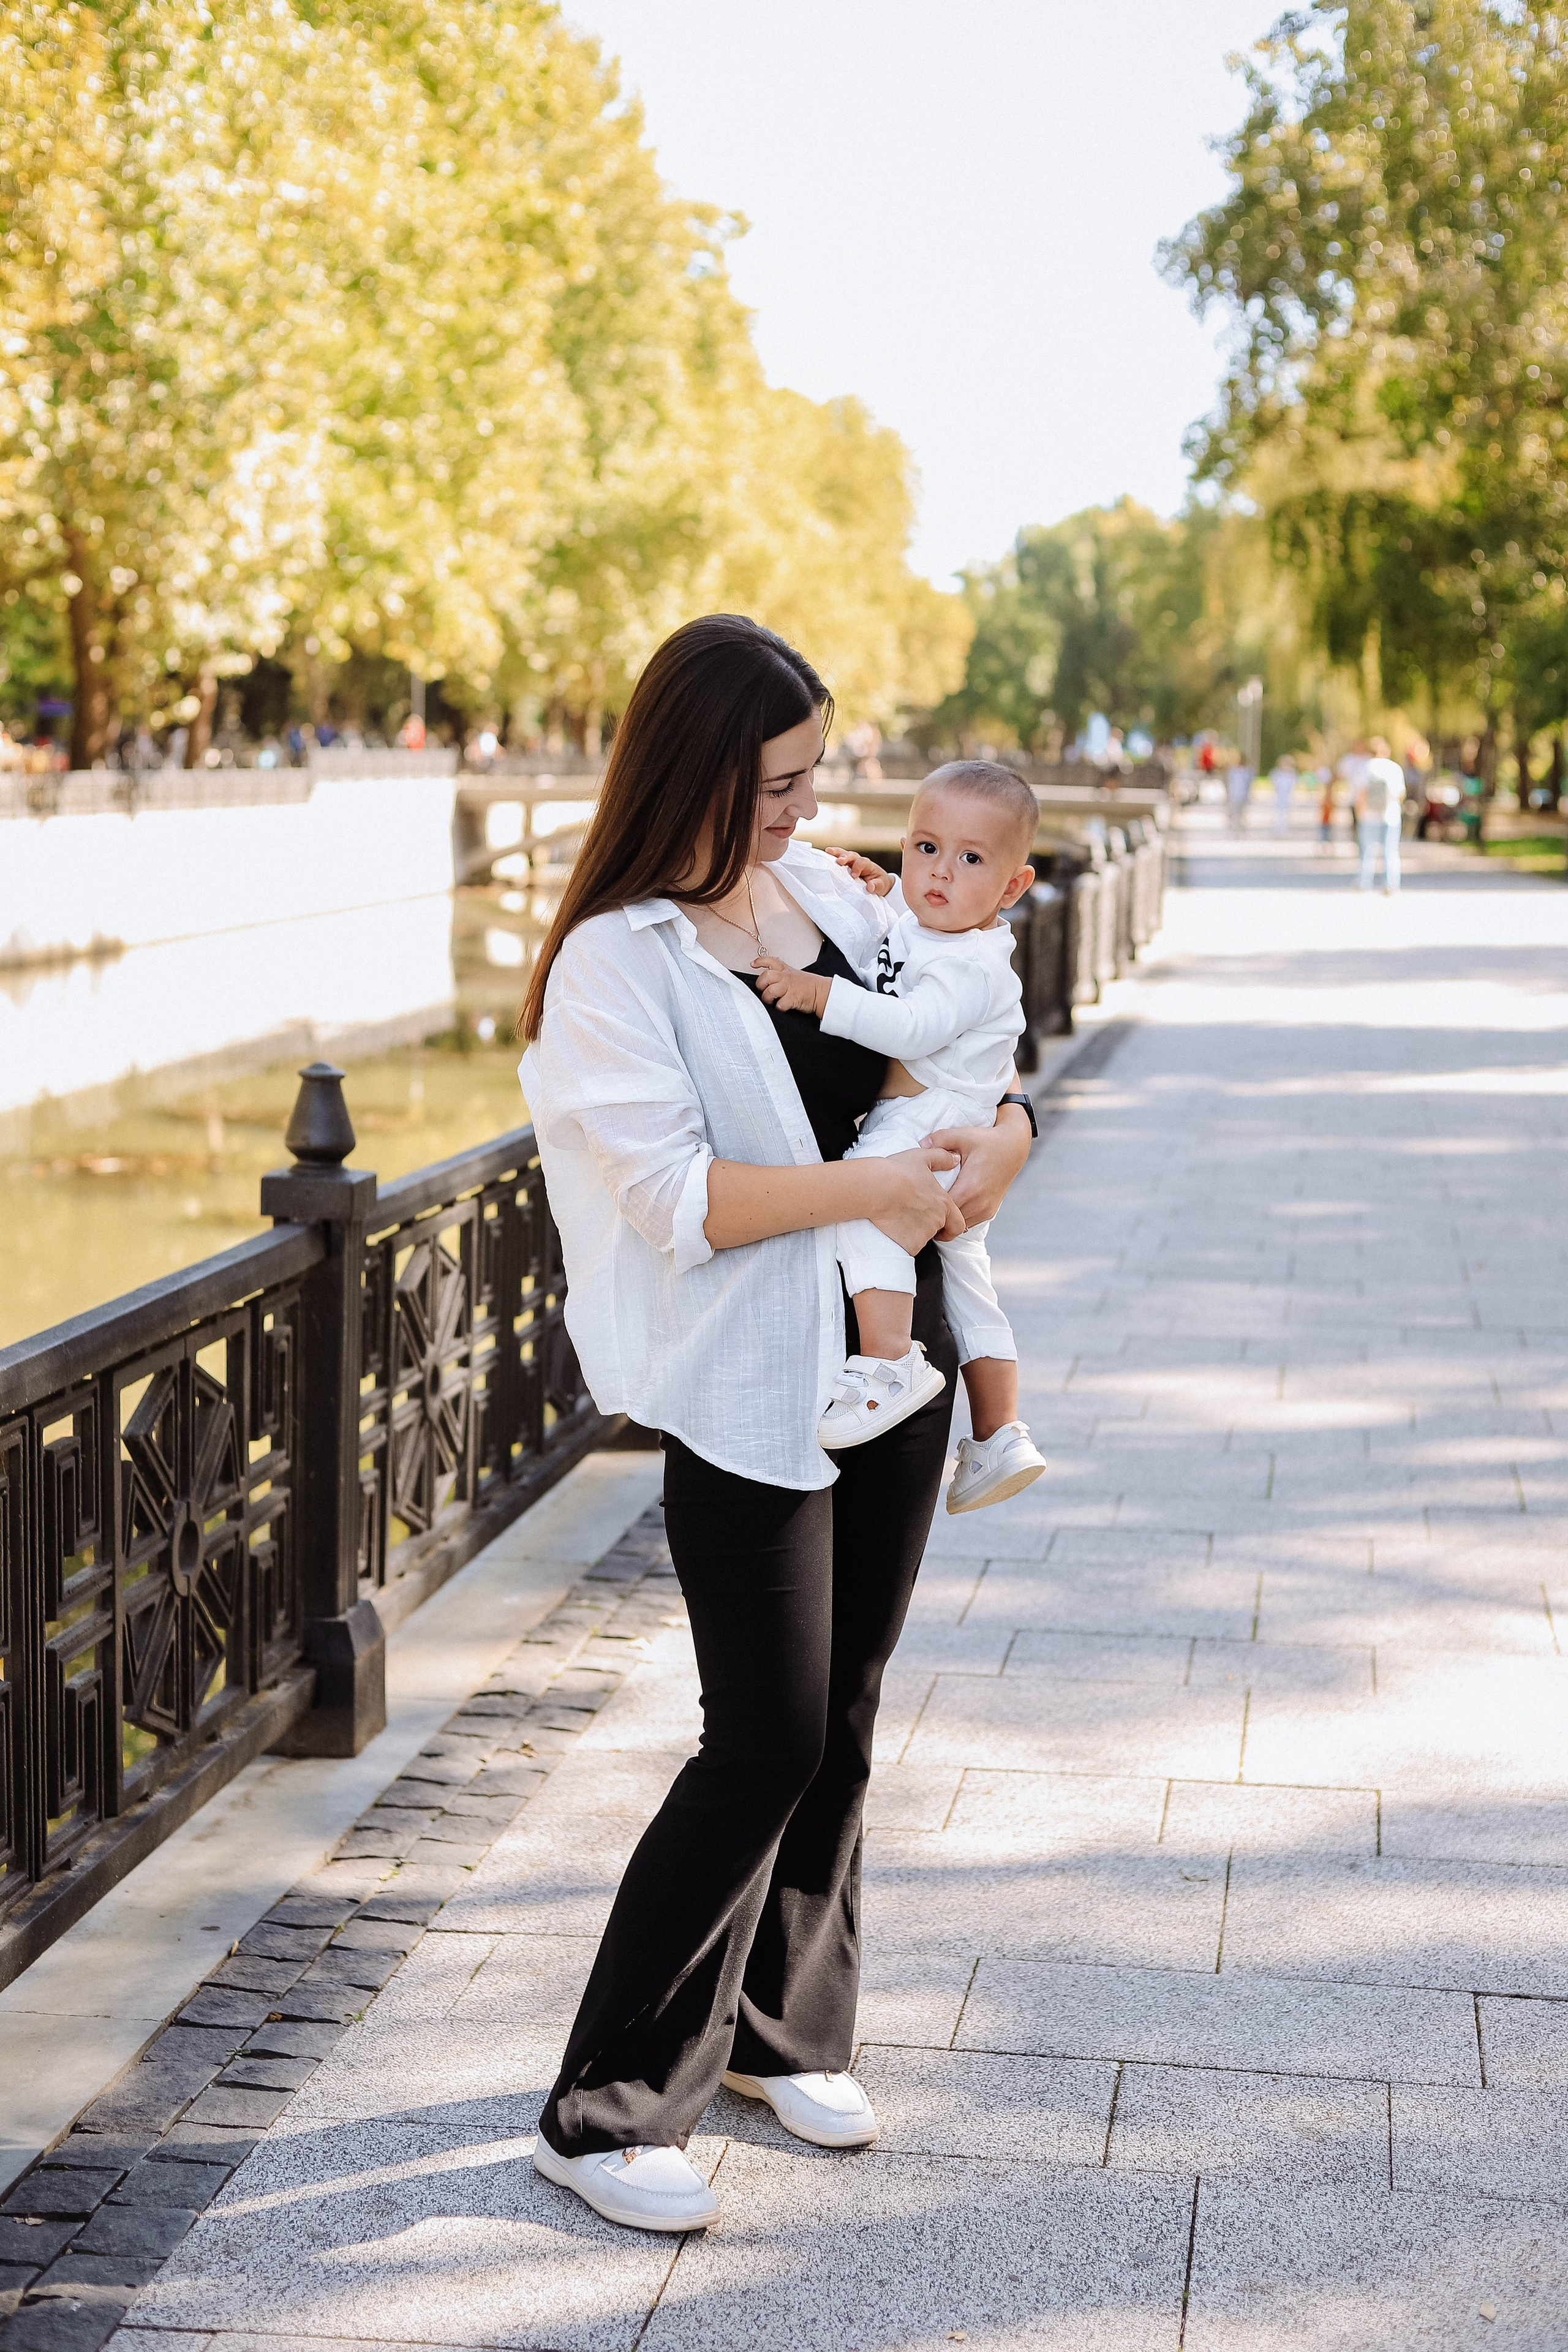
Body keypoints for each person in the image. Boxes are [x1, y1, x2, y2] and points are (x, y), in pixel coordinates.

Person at [516, 615, 1033, 2234]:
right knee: (767, 1734)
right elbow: (676, 1200)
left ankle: (780, 2034)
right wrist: (876, 1187)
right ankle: (602, 2113)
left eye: (819, 780)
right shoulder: (616, 962)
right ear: (694, 771)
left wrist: (1006, 1134)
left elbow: (959, 1041)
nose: (812, 815)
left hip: (890, 1350)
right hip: (751, 1380)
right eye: (780, 786)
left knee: (852, 1706)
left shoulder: (822, 896)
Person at [752, 762, 1047, 1513]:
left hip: (930, 1123)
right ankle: (998, 1432)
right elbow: (907, 943)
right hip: (960, 1121)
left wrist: (818, 993)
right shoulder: (937, 927)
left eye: (970, 860)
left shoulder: (974, 969)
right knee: (971, 1287)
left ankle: (890, 1364)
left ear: (1013, 887)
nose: (939, 873)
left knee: (867, 1207)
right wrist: (884, 891)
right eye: (924, 848)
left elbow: (910, 1025)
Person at [1354, 735, 1406, 893]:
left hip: (1368, 816)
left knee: (1367, 850)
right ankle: (1391, 884)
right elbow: (1401, 794)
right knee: (1390, 850)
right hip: (1391, 816)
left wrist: (1359, 812)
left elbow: (1361, 793)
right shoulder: (1395, 768)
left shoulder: (1365, 767)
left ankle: (1364, 883)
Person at [1268, 752, 1297, 835]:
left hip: (1288, 795)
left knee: (1286, 812)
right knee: (1278, 812)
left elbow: (1294, 784)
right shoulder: (1277, 773)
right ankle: (1278, 828)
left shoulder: (1292, 773)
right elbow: (1273, 782)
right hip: (1279, 795)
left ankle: (1284, 828)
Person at [1225, 760, 1253, 833]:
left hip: (1239, 796)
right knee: (1236, 813)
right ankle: (1236, 828)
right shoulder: (1235, 772)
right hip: (1236, 796)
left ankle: (1239, 828)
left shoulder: (1245, 773)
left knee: (1240, 814)